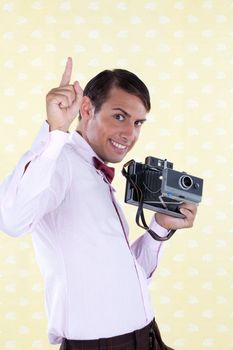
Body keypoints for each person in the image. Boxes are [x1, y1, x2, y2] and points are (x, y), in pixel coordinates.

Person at [0, 57, 197, 350]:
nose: (130, 134)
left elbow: (128, 278)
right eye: (119, 116)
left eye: (138, 123)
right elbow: (12, 220)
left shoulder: (94, 173)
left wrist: (159, 228)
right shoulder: (60, 162)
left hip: (148, 337)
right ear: (87, 108)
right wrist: (55, 132)